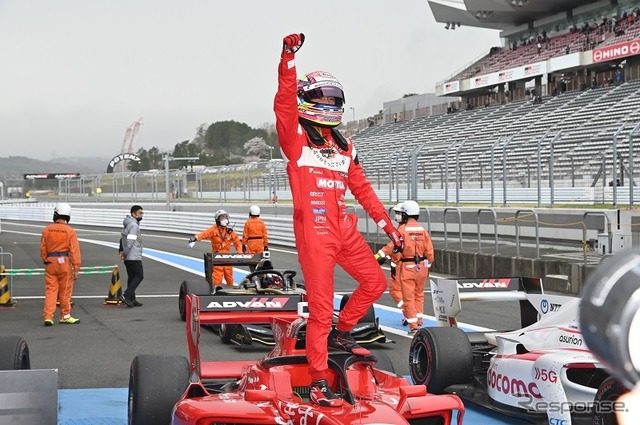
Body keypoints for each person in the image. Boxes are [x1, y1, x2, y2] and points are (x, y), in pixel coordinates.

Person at [275, 33, 404, 407]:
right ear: (306, 102)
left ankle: (342, 330)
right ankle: (317, 381)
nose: (329, 105)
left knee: (375, 282)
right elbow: (283, 100)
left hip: (344, 228)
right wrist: (288, 58)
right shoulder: (295, 140)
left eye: (334, 100)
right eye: (323, 99)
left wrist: (390, 229)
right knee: (319, 309)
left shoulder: (346, 147)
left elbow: (365, 192)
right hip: (314, 233)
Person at [394, 201, 434, 335]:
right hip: (422, 266)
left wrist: (394, 262)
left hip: (407, 266)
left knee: (408, 297)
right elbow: (430, 252)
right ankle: (419, 319)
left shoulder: (402, 230)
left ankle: (413, 325)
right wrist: (426, 266)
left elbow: (397, 249)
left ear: (405, 214)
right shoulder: (423, 231)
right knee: (419, 294)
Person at [40, 203, 81, 325]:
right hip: (64, 264)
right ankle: (65, 315)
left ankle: (48, 316)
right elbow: (74, 250)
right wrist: (76, 267)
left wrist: (45, 259)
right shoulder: (70, 231)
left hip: (50, 262)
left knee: (51, 290)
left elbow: (43, 247)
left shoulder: (47, 229)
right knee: (65, 291)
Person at [189, 209, 242, 286]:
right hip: (217, 257)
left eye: (225, 217)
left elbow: (237, 242)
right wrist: (195, 238)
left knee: (229, 277)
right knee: (217, 277)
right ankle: (215, 292)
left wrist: (239, 252)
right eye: (222, 217)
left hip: (228, 257)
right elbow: (204, 234)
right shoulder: (213, 230)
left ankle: (231, 292)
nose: (225, 219)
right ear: (217, 220)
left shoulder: (230, 232)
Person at [375, 203, 406, 318]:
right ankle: (415, 317)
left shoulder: (402, 230)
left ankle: (408, 312)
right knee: (413, 293)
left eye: (399, 213)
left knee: (395, 291)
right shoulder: (417, 229)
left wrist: (378, 256)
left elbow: (393, 245)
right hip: (415, 266)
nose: (397, 216)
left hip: (400, 267)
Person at [118, 205, 144, 307]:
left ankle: (132, 299)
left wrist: (121, 251)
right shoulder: (134, 225)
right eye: (140, 213)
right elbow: (130, 241)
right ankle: (126, 295)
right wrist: (125, 252)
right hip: (133, 255)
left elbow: (122, 239)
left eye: (142, 213)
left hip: (129, 256)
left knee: (132, 277)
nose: (142, 215)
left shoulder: (127, 224)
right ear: (133, 214)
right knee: (139, 275)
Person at [242, 205, 269, 272]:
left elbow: (245, 235)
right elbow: (265, 235)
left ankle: (253, 273)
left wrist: (243, 244)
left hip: (251, 243)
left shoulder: (248, 223)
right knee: (260, 259)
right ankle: (260, 272)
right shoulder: (262, 223)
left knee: (252, 260)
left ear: (250, 212)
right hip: (260, 242)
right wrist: (265, 245)